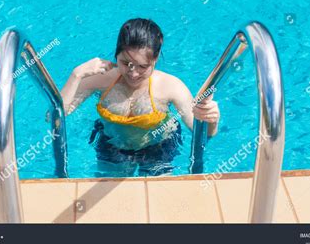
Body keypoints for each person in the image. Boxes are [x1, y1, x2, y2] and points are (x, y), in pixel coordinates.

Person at [61, 18, 220, 176]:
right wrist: (76, 74)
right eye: (125, 63)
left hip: (158, 147)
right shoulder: (103, 79)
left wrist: (211, 120)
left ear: (155, 59)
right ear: (116, 54)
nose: (133, 73)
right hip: (112, 144)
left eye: (143, 66)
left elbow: (204, 134)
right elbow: (55, 116)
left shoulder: (170, 87)